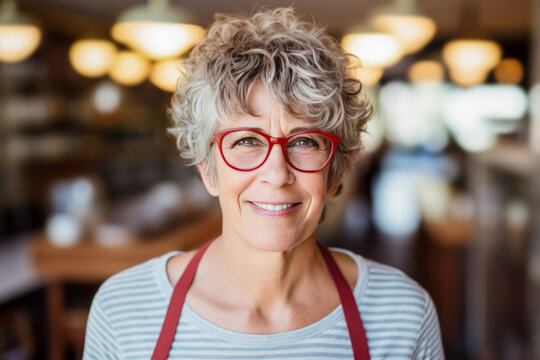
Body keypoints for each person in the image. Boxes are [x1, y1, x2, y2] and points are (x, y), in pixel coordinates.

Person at [83, 7, 444, 360]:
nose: (276, 173)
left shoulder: (403, 318)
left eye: (304, 141)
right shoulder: (122, 314)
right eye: (246, 141)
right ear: (207, 171)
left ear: (336, 172)